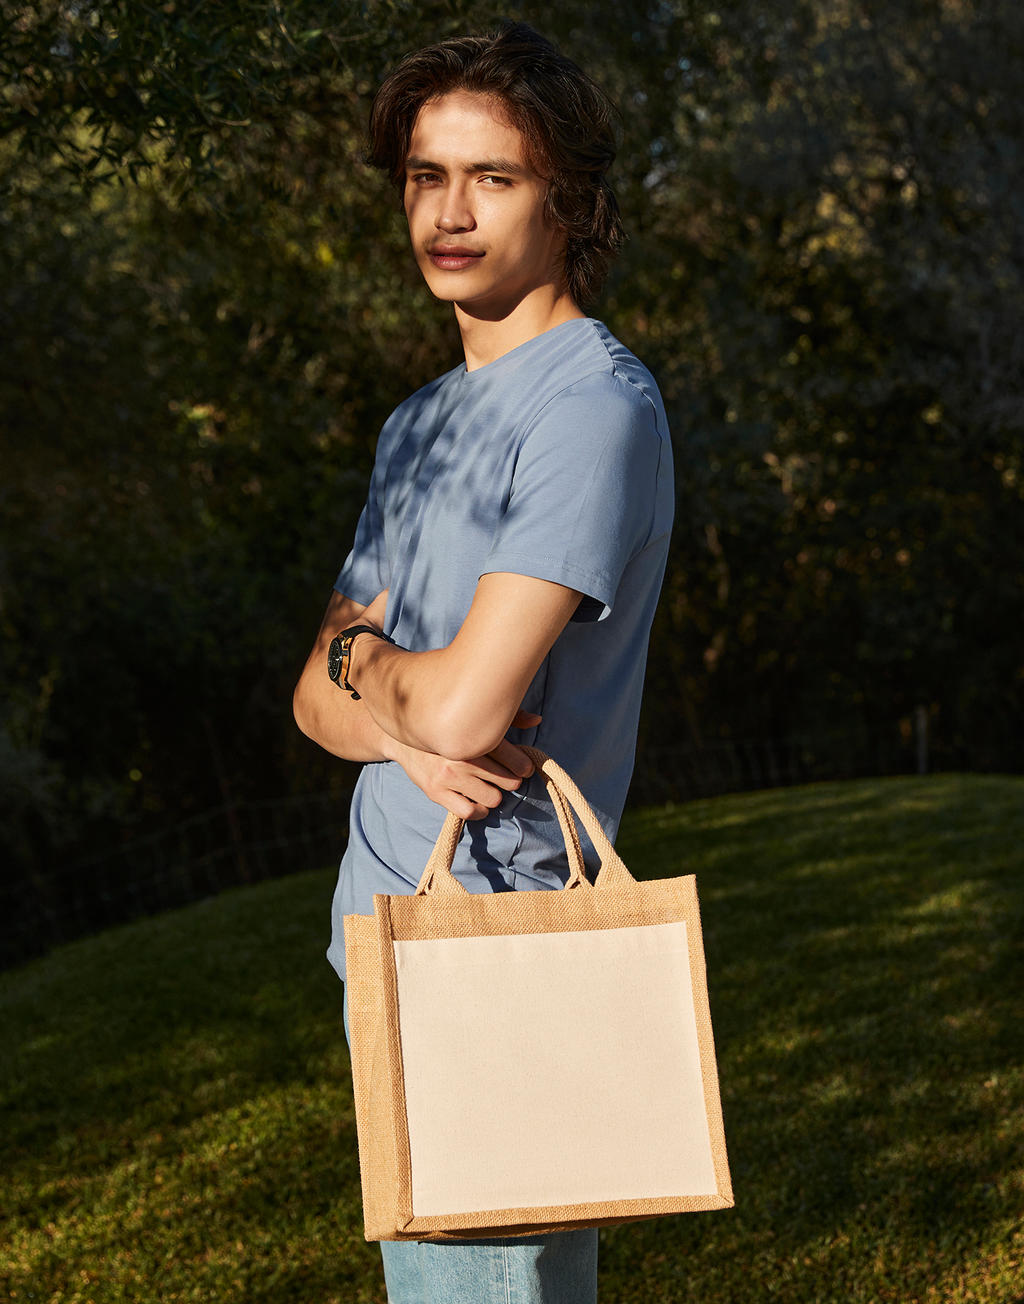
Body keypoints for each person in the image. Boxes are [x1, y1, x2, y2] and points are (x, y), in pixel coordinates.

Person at [293, 22, 674, 1304]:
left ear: (568, 199)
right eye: (425, 176)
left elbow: (453, 700)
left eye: (491, 178)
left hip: (504, 957)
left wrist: (376, 670)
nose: (447, 214)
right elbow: (315, 697)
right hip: (385, 931)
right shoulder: (418, 424)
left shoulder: (590, 408)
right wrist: (398, 714)